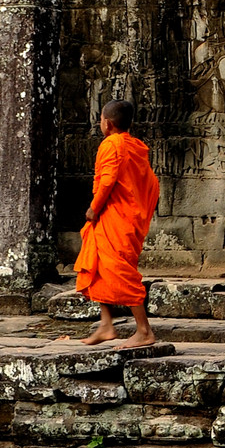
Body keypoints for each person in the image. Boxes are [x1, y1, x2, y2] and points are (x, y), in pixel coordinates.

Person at [71, 99, 161, 348]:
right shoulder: (136, 146)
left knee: (121, 271)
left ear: (107, 123)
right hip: (122, 216)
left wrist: (93, 208)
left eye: (100, 119)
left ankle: (144, 331)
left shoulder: (112, 144)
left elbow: (108, 181)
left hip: (116, 216)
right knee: (99, 266)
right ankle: (106, 324)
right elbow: (152, 184)